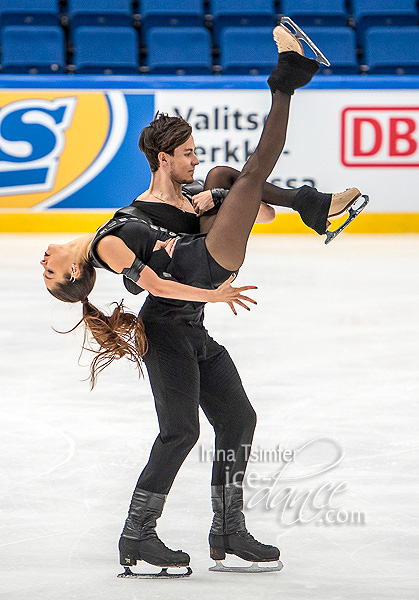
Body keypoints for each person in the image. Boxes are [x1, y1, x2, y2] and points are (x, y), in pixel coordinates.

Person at [41, 26, 362, 576]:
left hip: (194, 323)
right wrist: (213, 289)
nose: (40, 260)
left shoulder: (154, 204)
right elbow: (156, 287)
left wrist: (229, 200)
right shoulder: (114, 239)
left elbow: (245, 202)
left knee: (237, 420)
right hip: (171, 322)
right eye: (48, 271)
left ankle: (228, 533)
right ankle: (136, 536)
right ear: (74, 272)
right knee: (180, 432)